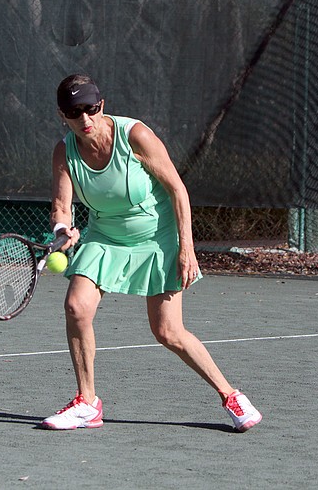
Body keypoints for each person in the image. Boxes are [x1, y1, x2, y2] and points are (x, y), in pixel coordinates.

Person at [43, 73, 262, 432]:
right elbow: (60, 205)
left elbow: (177, 190)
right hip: (105, 237)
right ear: (61, 115)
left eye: (90, 109)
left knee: (167, 331)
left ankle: (231, 395)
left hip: (157, 236)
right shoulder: (64, 151)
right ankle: (87, 402)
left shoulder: (135, 136)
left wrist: (186, 250)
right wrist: (61, 230)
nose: (84, 119)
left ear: (102, 105)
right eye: (74, 112)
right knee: (75, 306)